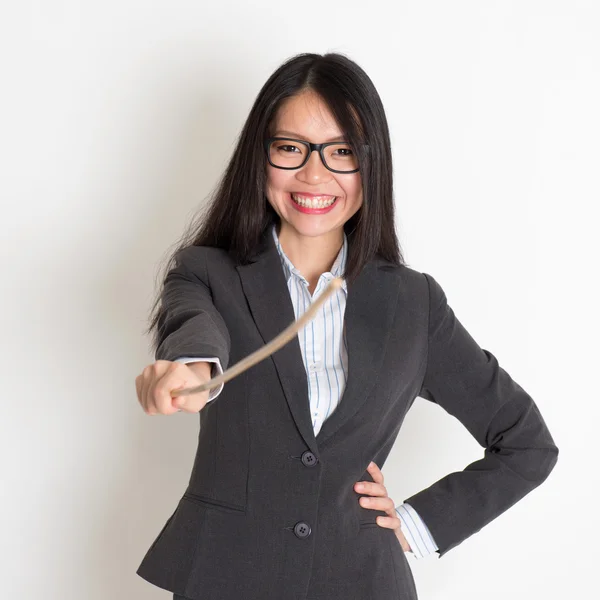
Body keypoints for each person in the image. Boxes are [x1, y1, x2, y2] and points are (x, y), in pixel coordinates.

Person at [134, 52, 558, 600]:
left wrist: (415, 524)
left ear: (370, 165)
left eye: (341, 153)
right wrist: (191, 371)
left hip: (363, 582)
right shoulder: (205, 271)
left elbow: (527, 444)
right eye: (290, 148)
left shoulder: (414, 302)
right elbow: (193, 327)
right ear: (259, 159)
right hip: (226, 578)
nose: (314, 174)